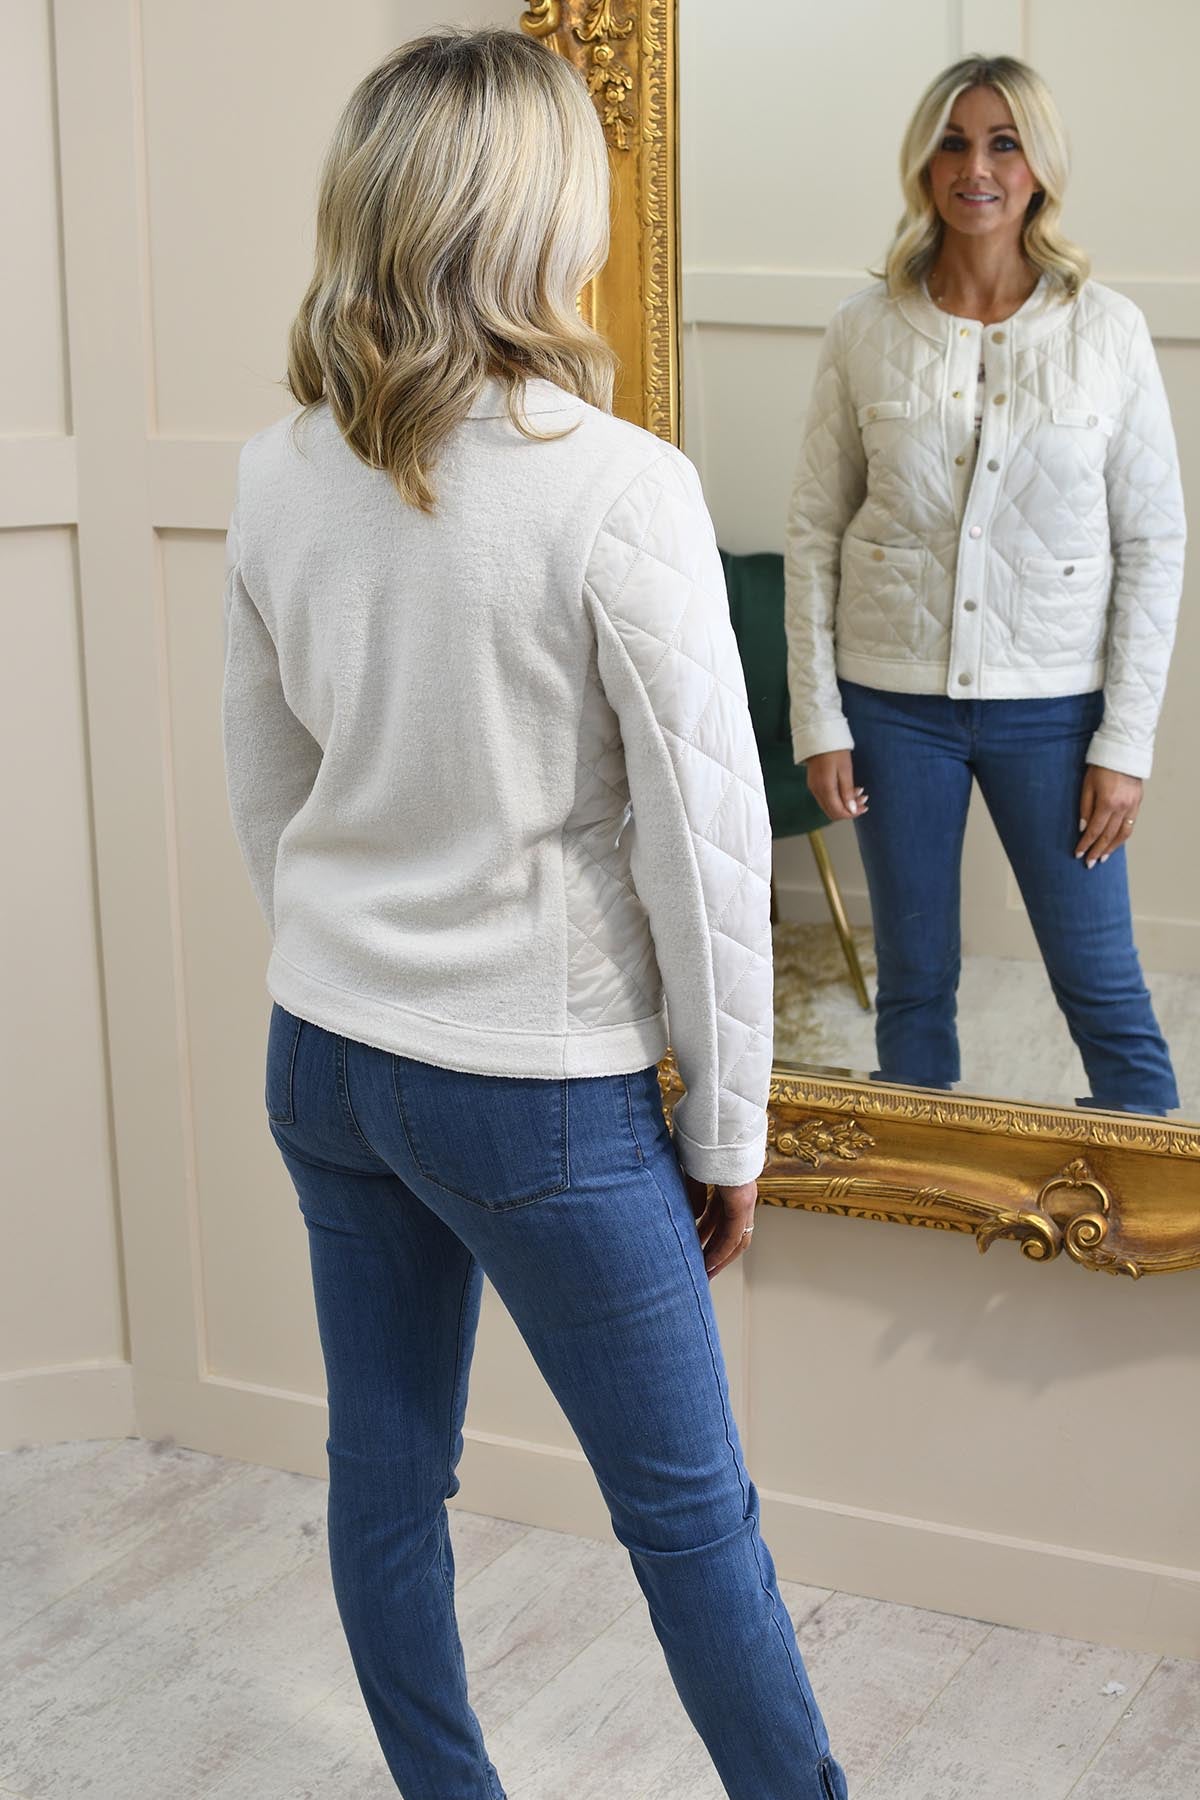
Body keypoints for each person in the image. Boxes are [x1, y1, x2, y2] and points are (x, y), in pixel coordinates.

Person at [221, 28, 847, 1800]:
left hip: (327, 1058)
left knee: (384, 1477)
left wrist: (358, 968)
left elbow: (269, 798)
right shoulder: (618, 486)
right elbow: (707, 851)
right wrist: (731, 1126)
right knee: (691, 1519)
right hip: (535, 1092)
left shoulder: (280, 472)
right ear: (542, 212)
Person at [784, 53, 1186, 1114]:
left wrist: (1125, 743)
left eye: (1004, 143)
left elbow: (1154, 543)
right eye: (954, 143)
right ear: (923, 164)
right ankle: (917, 1194)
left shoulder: (1107, 331)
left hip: (1055, 711)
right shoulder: (864, 328)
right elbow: (815, 530)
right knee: (914, 984)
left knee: (1101, 984)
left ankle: (1149, 1199)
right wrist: (820, 718)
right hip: (890, 704)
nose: (977, 168)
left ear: (1040, 166)